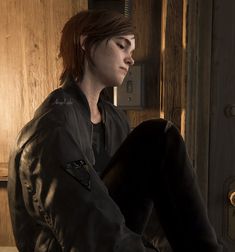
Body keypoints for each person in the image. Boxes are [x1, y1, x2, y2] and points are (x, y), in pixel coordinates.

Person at [8, 9, 222, 252]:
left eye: (131, 51)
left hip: (110, 236)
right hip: (72, 243)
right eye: (122, 46)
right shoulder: (51, 130)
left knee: (158, 139)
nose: (130, 59)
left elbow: (151, 216)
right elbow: (87, 226)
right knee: (157, 136)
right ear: (86, 44)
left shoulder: (116, 119)